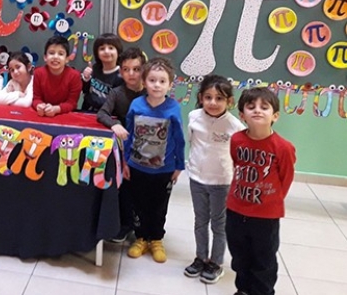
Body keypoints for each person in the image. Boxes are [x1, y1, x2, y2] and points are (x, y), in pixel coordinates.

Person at [227, 87, 296, 295]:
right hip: (236, 210)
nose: (257, 110)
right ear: (242, 115)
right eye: (251, 107)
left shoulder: (283, 147)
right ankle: (243, 289)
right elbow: (237, 164)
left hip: (265, 216)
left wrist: (270, 201)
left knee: (264, 259)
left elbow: (286, 178)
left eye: (264, 107)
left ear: (275, 116)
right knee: (239, 255)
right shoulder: (236, 140)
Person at [184, 75, 245, 283]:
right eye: (208, 97)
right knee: (200, 220)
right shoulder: (193, 116)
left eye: (219, 98)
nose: (213, 102)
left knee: (219, 224)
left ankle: (216, 263)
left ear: (229, 101)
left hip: (222, 182)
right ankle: (201, 257)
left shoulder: (235, 126)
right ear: (200, 98)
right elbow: (192, 142)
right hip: (197, 178)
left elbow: (238, 156)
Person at [123, 56, 185, 263]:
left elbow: (179, 139)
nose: (157, 85)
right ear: (144, 82)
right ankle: (141, 238)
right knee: (138, 204)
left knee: (159, 206)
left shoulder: (173, 108)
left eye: (162, 81)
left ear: (170, 84)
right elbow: (129, 135)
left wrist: (179, 165)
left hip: (164, 170)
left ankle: (156, 239)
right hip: (137, 166)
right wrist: (125, 161)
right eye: (152, 80)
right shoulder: (136, 105)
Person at [96, 46, 147, 243]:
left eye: (136, 69)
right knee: (125, 188)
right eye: (126, 69)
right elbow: (102, 113)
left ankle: (145, 228)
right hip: (126, 148)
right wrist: (114, 124)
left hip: (148, 148)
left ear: (144, 70)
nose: (131, 74)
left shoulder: (151, 91)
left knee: (145, 190)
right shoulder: (117, 93)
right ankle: (126, 224)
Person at [32, 35, 82, 117]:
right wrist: (39, 105)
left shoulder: (75, 76)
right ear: (45, 57)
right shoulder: (38, 73)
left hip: (65, 116)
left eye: (60, 54)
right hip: (43, 114)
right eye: (51, 53)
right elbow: (36, 98)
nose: (55, 57)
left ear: (67, 59)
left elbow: (72, 103)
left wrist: (57, 109)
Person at [81, 33, 124, 112]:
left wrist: (90, 99)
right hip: (86, 112)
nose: (106, 51)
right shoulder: (95, 68)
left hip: (107, 115)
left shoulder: (121, 75)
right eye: (102, 49)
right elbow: (85, 91)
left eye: (111, 48)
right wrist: (86, 79)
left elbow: (116, 104)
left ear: (118, 51)